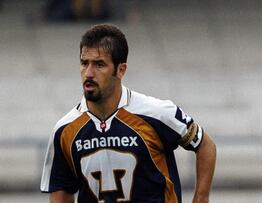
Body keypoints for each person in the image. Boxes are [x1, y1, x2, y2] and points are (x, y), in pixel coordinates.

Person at [41, 23, 216, 203]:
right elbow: (61, 190)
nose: (89, 73)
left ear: (121, 69)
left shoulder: (156, 113)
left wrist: (201, 198)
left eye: (99, 64)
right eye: (84, 63)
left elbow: (205, 145)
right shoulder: (65, 130)